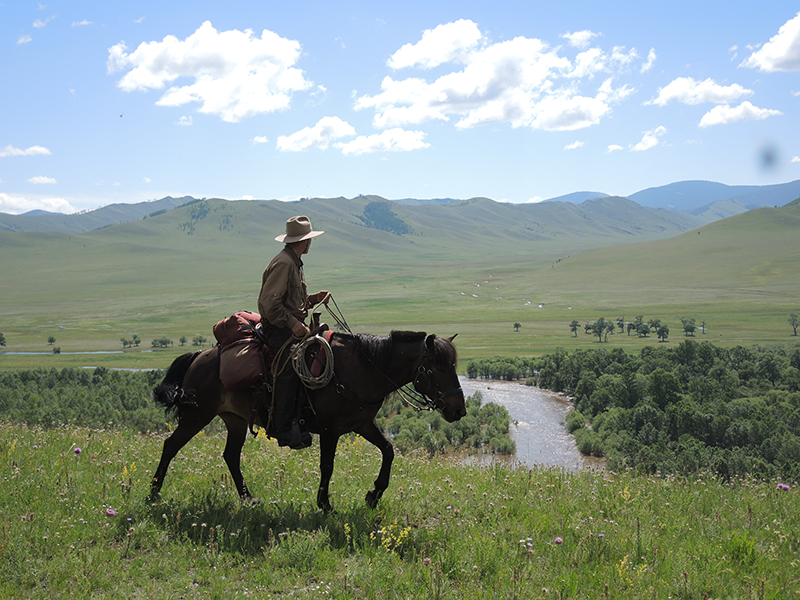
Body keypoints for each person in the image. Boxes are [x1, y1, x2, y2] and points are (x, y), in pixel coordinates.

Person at [258, 215, 328, 449]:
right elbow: (270, 303)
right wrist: (292, 324)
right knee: (289, 366)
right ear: (305, 241)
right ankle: (284, 427)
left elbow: (290, 301)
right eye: (309, 239)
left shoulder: (293, 261)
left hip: (288, 323)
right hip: (278, 328)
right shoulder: (285, 263)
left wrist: (312, 300)